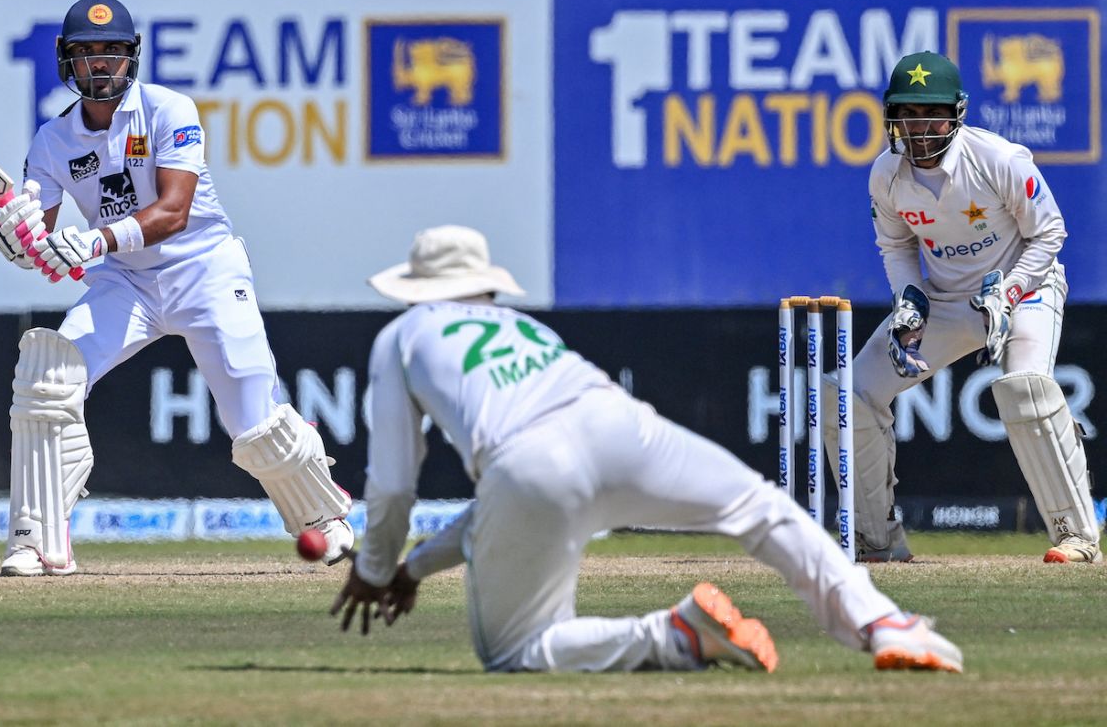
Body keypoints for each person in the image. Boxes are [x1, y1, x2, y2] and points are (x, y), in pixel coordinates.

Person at [329, 224, 962, 674]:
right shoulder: (526, 327)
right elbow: (500, 510)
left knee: (513, 652)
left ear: (415, 291)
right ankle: (884, 622)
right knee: (761, 507)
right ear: (486, 289)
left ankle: (671, 636)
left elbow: (394, 486)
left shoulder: (402, 336)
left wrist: (379, 567)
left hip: (526, 463)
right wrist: (411, 569)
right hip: (620, 426)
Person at [0, 0, 353, 575]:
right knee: (47, 379)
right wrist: (18, 238)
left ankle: (322, 516)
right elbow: (47, 245)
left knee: (253, 423)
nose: (100, 65)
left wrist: (97, 240)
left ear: (132, 57)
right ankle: (37, 538)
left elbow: (174, 211)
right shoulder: (52, 142)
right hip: (125, 284)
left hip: (204, 269)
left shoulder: (167, 109)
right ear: (67, 61)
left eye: (112, 53)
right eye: (87, 54)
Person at [827, 50, 1100, 564]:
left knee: (1026, 390)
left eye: (931, 113)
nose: (919, 127)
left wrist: (1010, 292)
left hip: (1026, 289)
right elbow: (897, 246)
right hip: (946, 300)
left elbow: (1050, 234)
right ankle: (877, 540)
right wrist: (909, 303)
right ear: (891, 117)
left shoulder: (999, 160)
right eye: (907, 113)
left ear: (957, 113)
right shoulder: (885, 175)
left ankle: (1077, 535)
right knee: (848, 395)